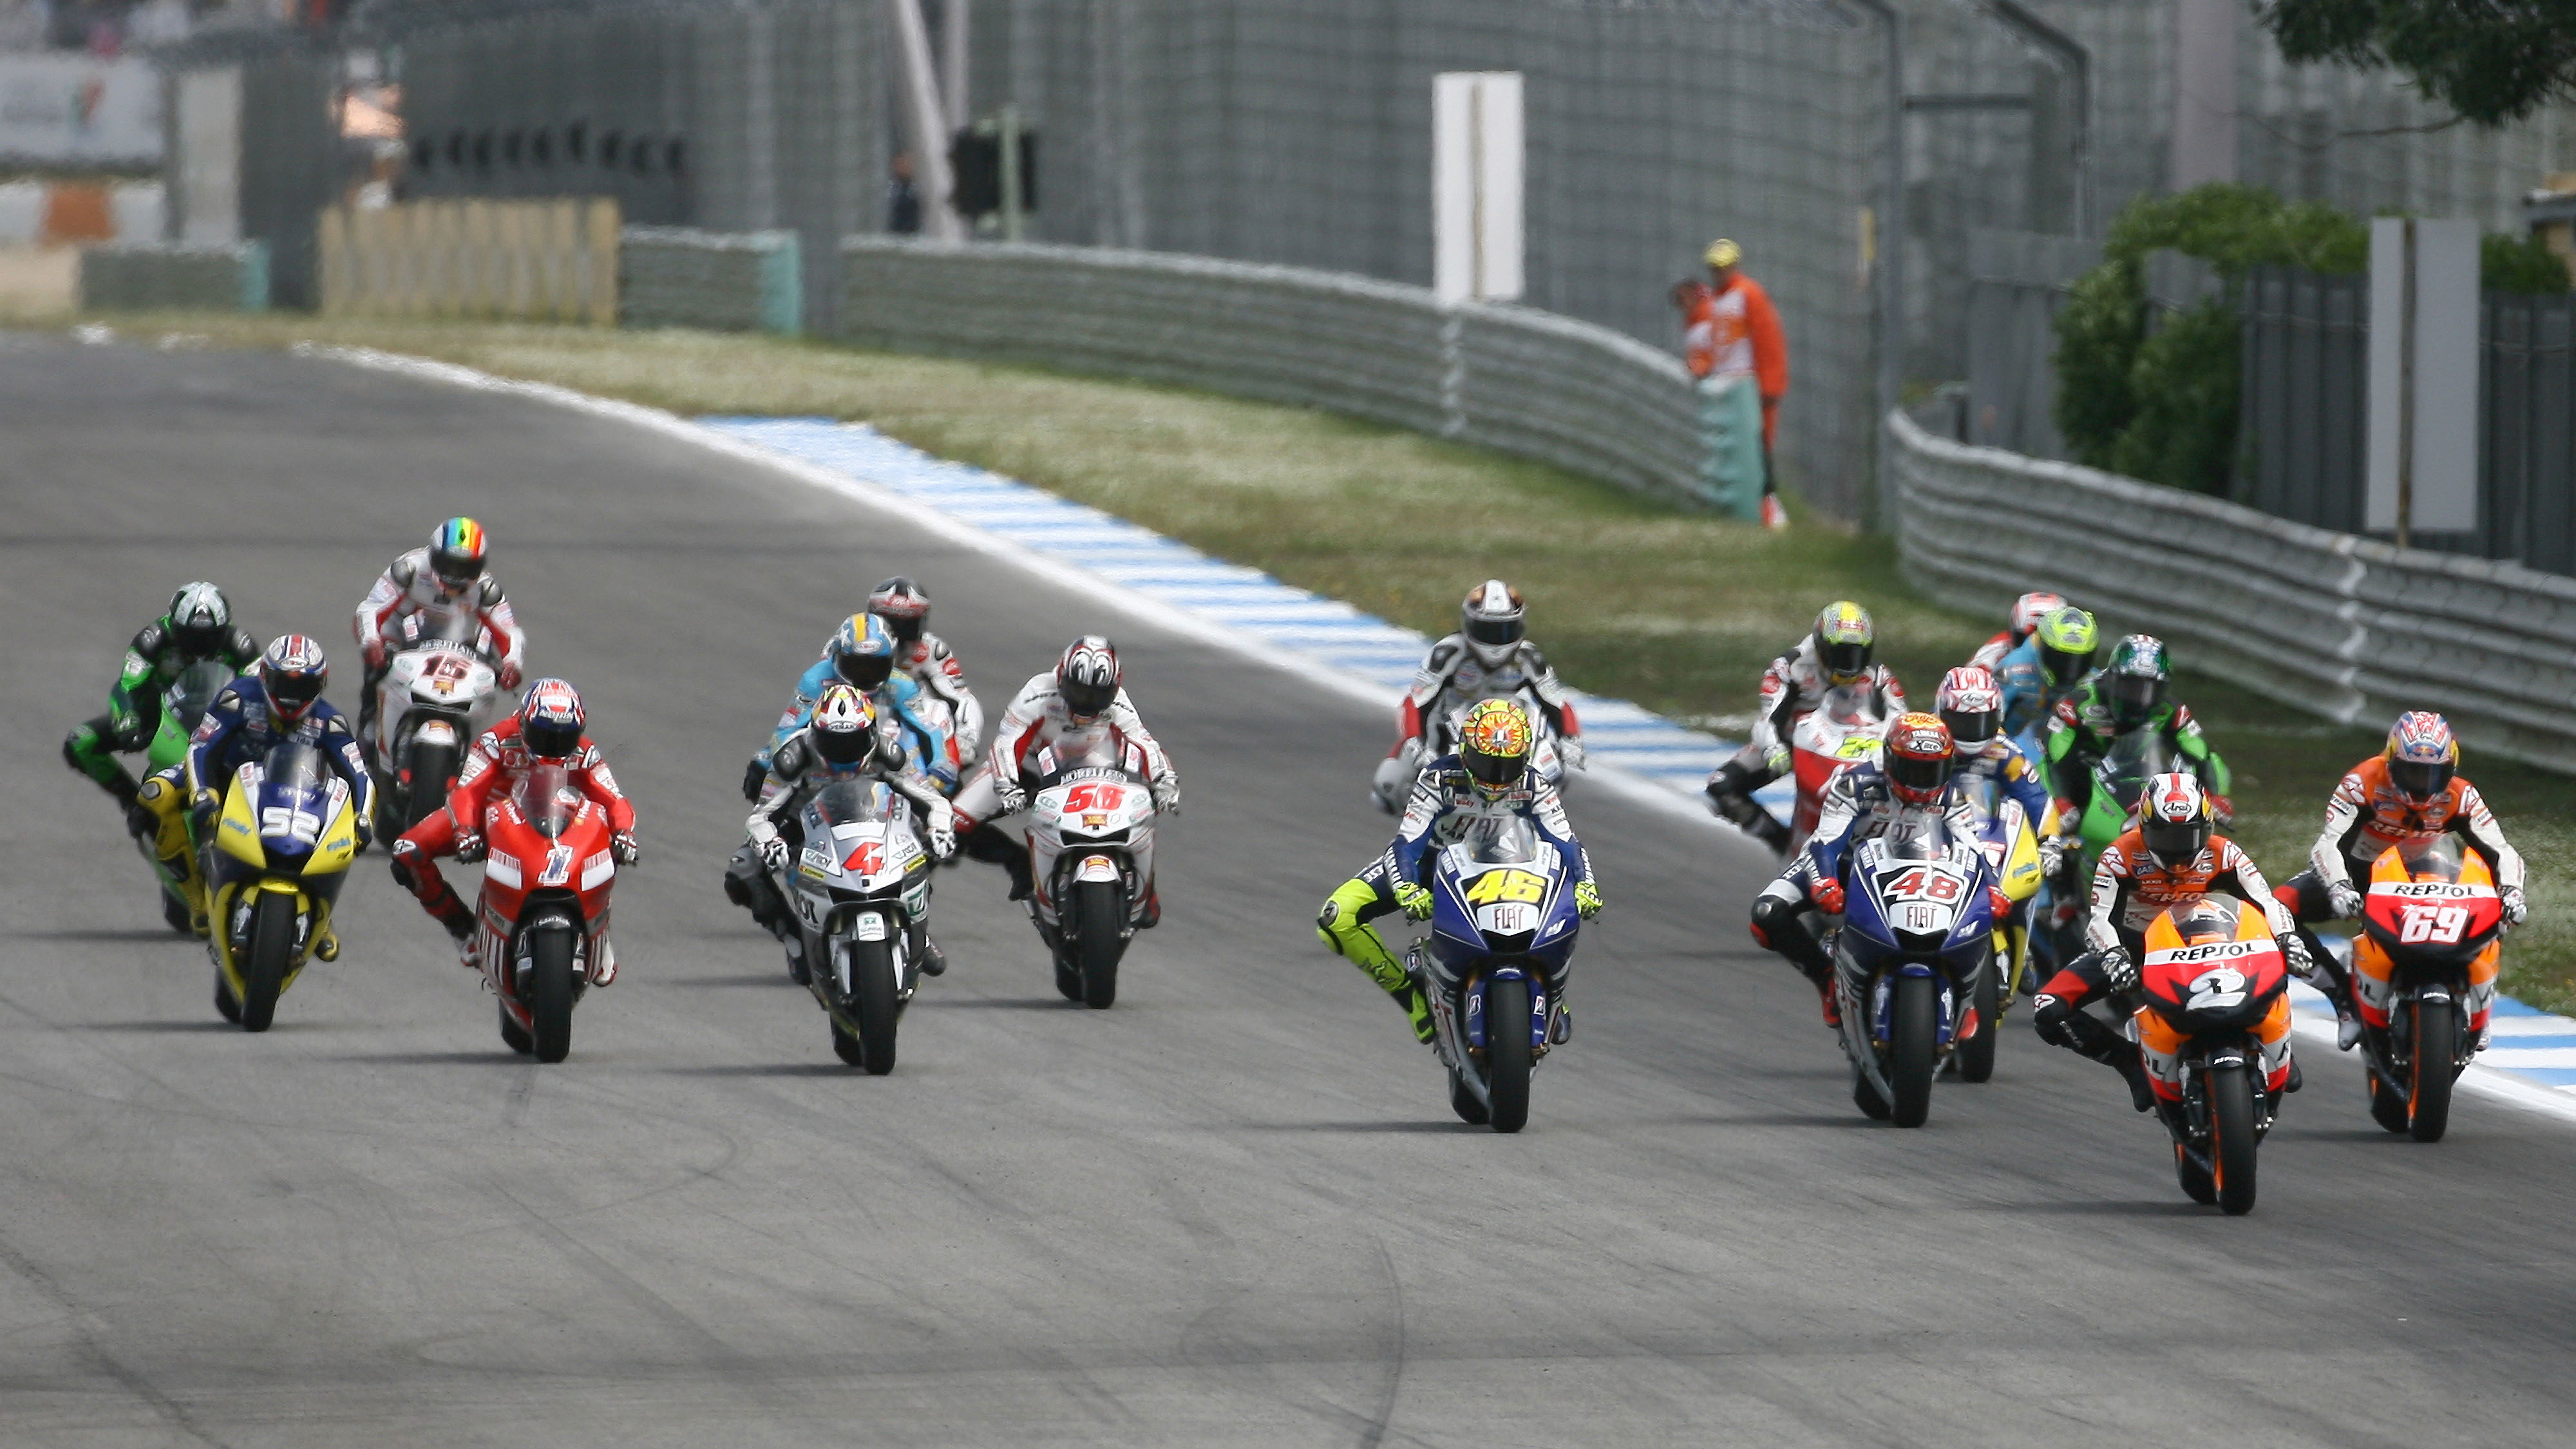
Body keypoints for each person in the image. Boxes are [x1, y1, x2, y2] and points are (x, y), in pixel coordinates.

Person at [1320, 698, 1602, 1044]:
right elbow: (1406, 844)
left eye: (1508, 764)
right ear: (1466, 751)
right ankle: (1413, 999)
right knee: (1337, 917)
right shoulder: (1438, 778)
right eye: (1486, 763)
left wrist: (1586, 884)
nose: (1497, 776)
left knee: (1565, 905)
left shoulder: (1535, 784)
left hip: (1508, 866)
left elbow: (1567, 843)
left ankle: (1552, 997)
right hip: (1434, 864)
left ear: (1525, 757)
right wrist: (1407, 886)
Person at [2029, 772, 2306, 1111]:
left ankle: (2278, 1049)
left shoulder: (2226, 853)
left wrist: (2287, 937)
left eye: (2190, 835)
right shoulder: (2119, 856)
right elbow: (2100, 919)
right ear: (2144, 826)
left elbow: (2267, 903)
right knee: (2049, 1008)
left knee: (2277, 954)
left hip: (2209, 937)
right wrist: (2114, 954)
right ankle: (2130, 1063)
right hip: (2137, 946)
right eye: (2166, 835)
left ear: (2208, 828)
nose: (2179, 850)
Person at [2273, 711, 2528, 1050]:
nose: (2422, 784)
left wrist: (2512, 892)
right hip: (2362, 874)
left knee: (2497, 912)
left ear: (2451, 767)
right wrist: (2339, 886)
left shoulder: (2462, 795)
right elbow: (2329, 843)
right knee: (2275, 911)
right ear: (2391, 761)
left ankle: (2477, 1008)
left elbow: (2502, 851)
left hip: (2435, 871)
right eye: (2412, 771)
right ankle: (2344, 999)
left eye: (2434, 774)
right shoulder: (2361, 782)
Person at [389, 679, 638, 977]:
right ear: (524, 722)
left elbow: (614, 799)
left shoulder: (585, 752)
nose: (553, 746)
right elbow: (466, 791)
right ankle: (462, 929)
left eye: (564, 737)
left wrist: (625, 833)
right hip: (489, 820)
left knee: (607, 840)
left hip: (559, 821)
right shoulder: (496, 741)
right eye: (543, 735)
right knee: (408, 852)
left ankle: (598, 930)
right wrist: (465, 831)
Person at [1748, 713, 1980, 1026]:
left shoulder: (1951, 797)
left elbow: (1974, 850)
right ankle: (1827, 981)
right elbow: (1824, 843)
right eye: (1912, 768)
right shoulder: (1854, 785)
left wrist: (1992, 887)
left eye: (1933, 769)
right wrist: (1825, 881)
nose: (1922, 780)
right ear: (1890, 760)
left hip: (1922, 875)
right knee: (1767, 914)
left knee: (1983, 914)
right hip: (1844, 866)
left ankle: (1967, 997)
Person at [164, 636, 375, 946]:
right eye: (283, 684)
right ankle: (195, 898)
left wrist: (363, 818)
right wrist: (203, 792)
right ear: (263, 675)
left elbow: (359, 775)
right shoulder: (236, 698)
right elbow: (201, 748)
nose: (291, 696)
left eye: (302, 687)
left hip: (292, 795)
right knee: (155, 796)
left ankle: (322, 915)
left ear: (320, 685)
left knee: (341, 837)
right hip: (223, 781)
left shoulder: (330, 722)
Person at [742, 683, 959, 978]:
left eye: (852, 741)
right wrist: (771, 841)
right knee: (743, 869)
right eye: (833, 741)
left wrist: (941, 829)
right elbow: (762, 816)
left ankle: (915, 924)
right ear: (815, 734)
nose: (843, 751)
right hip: (805, 826)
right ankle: (795, 943)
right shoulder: (793, 757)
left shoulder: (888, 752)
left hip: (872, 819)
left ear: (870, 732)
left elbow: (931, 799)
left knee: (924, 846)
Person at [952, 636, 1180, 904]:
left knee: (1136, 811)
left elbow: (1144, 742)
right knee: (954, 824)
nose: (1087, 703)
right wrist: (1007, 784)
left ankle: (1144, 890)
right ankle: (1018, 862)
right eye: (1079, 691)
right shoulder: (1037, 692)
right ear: (1061, 677)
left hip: (1091, 763)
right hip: (1026, 766)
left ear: (1114, 688)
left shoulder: (1120, 702)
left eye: (1098, 695)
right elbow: (1008, 741)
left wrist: (1165, 780)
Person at [1706, 601, 1906, 855]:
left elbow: (1901, 719)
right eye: (1841, 653)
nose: (1849, 663)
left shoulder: (1878, 674)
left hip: (1851, 751)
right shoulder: (1790, 666)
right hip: (1791, 747)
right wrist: (1773, 750)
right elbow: (1767, 718)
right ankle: (1781, 843)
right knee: (1722, 786)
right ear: (1822, 645)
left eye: (1857, 653)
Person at [1372, 580, 1582, 811]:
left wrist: (1571, 739)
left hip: (1506, 734)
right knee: (1388, 788)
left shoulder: (1529, 657)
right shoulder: (1448, 653)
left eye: (1504, 630)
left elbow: (1557, 703)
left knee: (1556, 765)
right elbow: (1416, 702)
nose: (1495, 641)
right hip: (1452, 725)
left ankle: (1539, 808)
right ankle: (1424, 824)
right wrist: (1415, 742)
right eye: (1487, 630)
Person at [63, 581, 260, 826]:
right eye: (191, 637)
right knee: (81, 742)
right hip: (158, 713)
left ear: (224, 628)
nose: (199, 649)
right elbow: (127, 686)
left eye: (209, 638)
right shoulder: (153, 639)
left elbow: (258, 690)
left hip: (220, 716)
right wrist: (128, 718)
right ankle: (132, 801)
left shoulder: (240, 645)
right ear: (174, 625)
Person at [352, 517, 526, 742]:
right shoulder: (409, 569)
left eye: (466, 569)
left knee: (485, 676)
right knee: (376, 672)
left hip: (454, 640)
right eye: (450, 566)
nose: (456, 576)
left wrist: (512, 663)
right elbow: (371, 609)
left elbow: (510, 631)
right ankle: (369, 732)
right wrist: (372, 642)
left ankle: (470, 746)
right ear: (434, 556)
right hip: (401, 632)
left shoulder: (486, 588)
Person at [744, 613, 955, 797]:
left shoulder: (902, 684)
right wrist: (775, 763)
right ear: (838, 656)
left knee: (920, 737)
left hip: (879, 752)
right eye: (856, 665)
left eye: (875, 667)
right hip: (828, 753)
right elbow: (787, 730)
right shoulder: (815, 680)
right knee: (760, 770)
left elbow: (928, 730)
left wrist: (939, 764)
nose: (864, 675)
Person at [2042, 633, 2230, 829]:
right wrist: (2061, 799)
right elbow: (2053, 756)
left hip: (2134, 774)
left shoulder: (2170, 710)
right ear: (2112, 678)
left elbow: (2203, 754)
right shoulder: (2077, 704)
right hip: (2083, 776)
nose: (2140, 699)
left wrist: (2216, 796)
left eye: (2151, 690)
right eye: (2131, 687)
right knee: (2063, 822)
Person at [1672, 238, 1789, 527]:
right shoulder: (1718, 302)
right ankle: (1754, 512)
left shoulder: (1748, 294)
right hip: (1728, 385)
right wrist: (1701, 365)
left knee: (1758, 451)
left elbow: (1768, 340)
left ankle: (1770, 511)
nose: (1720, 272)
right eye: (1715, 267)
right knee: (1738, 453)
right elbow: (1714, 345)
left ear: (1735, 265)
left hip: (1751, 385)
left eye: (1724, 267)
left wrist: (1771, 386)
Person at [866, 576, 985, 765]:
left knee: (938, 709)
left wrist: (966, 740)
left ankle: (939, 774)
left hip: (913, 724)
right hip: (861, 720)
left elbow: (961, 698)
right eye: (890, 624)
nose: (897, 634)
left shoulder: (932, 650)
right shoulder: (852, 643)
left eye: (907, 626)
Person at [1994, 604, 2099, 744]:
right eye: (2061, 659)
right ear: (2043, 649)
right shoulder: (2013, 671)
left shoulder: (2095, 684)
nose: (2068, 669)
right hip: (2011, 750)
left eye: (2079, 660)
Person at [1969, 591, 2066, 672]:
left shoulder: (2075, 661)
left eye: (2043, 641)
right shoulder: (1997, 650)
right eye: (2025, 639)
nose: (2032, 647)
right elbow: (1973, 678)